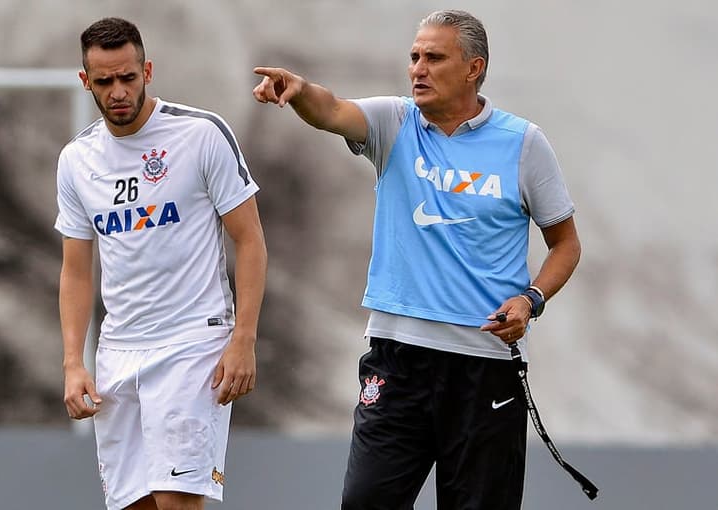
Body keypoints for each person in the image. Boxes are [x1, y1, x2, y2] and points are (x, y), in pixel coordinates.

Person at [253, 9, 581, 510]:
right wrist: (298, 91)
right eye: (413, 57)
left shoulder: (524, 144)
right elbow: (332, 109)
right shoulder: (395, 121)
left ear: (474, 67)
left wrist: (531, 299)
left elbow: (566, 243)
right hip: (397, 359)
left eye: (433, 57)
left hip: (484, 365)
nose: (417, 69)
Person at [55, 17, 267, 510]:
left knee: (177, 500)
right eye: (105, 82)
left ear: (147, 70)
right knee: (135, 504)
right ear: (87, 83)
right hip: (118, 350)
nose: (119, 91)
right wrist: (72, 362)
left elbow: (250, 240)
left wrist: (243, 339)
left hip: (192, 342)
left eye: (128, 77)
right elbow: (76, 270)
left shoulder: (201, 134)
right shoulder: (76, 159)